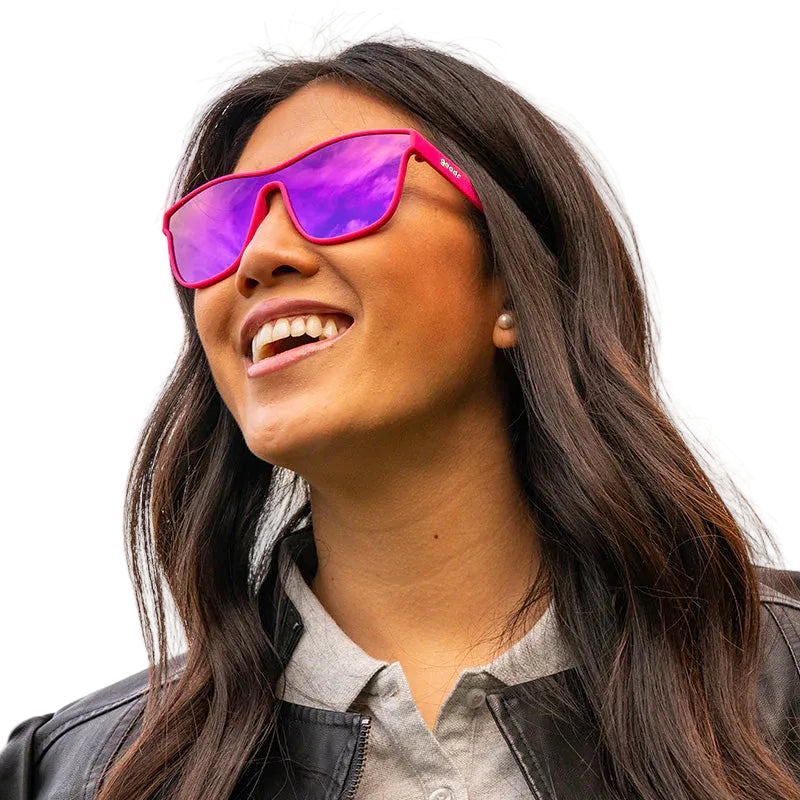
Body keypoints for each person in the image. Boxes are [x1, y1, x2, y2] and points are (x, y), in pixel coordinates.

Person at [2, 34, 800, 800]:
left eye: (341, 187)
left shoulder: (781, 687)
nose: (257, 257)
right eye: (222, 225)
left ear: (516, 280)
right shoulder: (71, 777)